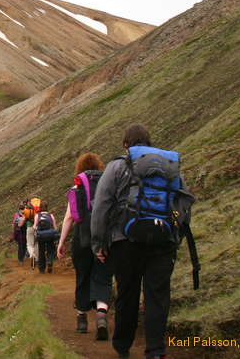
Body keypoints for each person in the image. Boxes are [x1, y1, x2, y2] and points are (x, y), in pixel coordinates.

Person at [91, 124, 194, 359]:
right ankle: (156, 350)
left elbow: (101, 206)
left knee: (127, 293)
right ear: (149, 142)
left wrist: (98, 243)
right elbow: (184, 203)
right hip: (162, 241)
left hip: (125, 241)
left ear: (126, 144)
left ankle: (123, 348)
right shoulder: (170, 167)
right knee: (157, 295)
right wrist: (174, 236)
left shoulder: (118, 165)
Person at [57, 152, 113, 340]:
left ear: (80, 168)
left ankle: (82, 319)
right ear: (99, 167)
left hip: (82, 239)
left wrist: (62, 242)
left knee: (83, 277)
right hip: (104, 238)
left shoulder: (77, 187)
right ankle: (102, 316)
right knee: (103, 276)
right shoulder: (107, 184)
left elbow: (69, 218)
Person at [34, 203, 57, 273]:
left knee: (41, 251)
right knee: (50, 249)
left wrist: (35, 231)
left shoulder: (37, 215)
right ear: (47, 207)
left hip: (41, 236)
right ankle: (50, 261)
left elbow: (35, 226)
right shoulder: (51, 215)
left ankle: (42, 269)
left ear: (40, 208)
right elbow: (55, 227)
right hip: (50, 235)